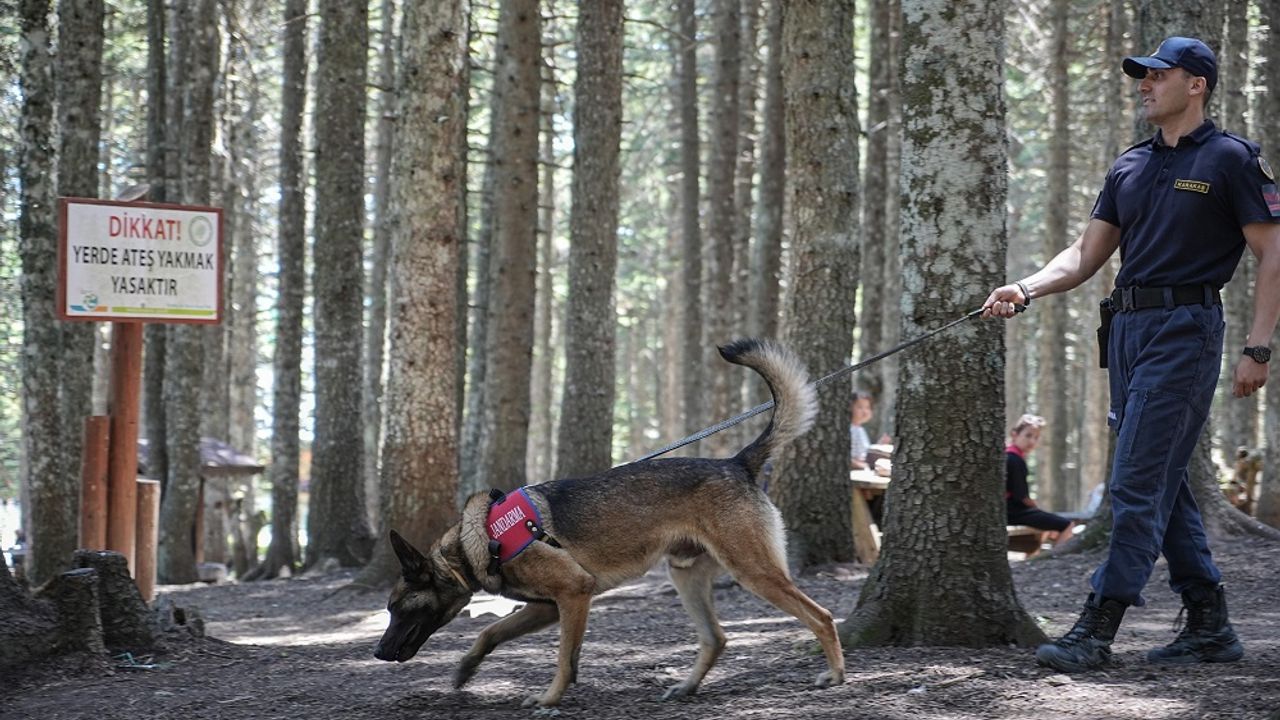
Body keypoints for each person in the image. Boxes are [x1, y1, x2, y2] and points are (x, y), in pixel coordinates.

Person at [984, 36, 1280, 673]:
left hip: (1186, 329)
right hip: (1126, 330)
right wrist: (1025, 287)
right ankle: (1209, 622)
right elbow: (1085, 255)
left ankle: (1098, 624)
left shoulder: (1231, 159)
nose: (1144, 85)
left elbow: (1273, 252)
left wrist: (1258, 346)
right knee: (1161, 480)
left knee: (1136, 480)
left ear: (1196, 84)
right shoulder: (1130, 165)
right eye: (1141, 76)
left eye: (1157, 75)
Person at [1004, 414, 1076, 548]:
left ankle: (1037, 556)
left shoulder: (1008, 456)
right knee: (1067, 525)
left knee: (1047, 525)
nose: (1032, 441)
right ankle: (1055, 557)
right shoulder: (1014, 459)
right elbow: (1021, 497)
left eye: (1036, 437)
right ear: (1014, 434)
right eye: (1028, 435)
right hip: (1013, 512)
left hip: (1009, 511)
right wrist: (1036, 509)